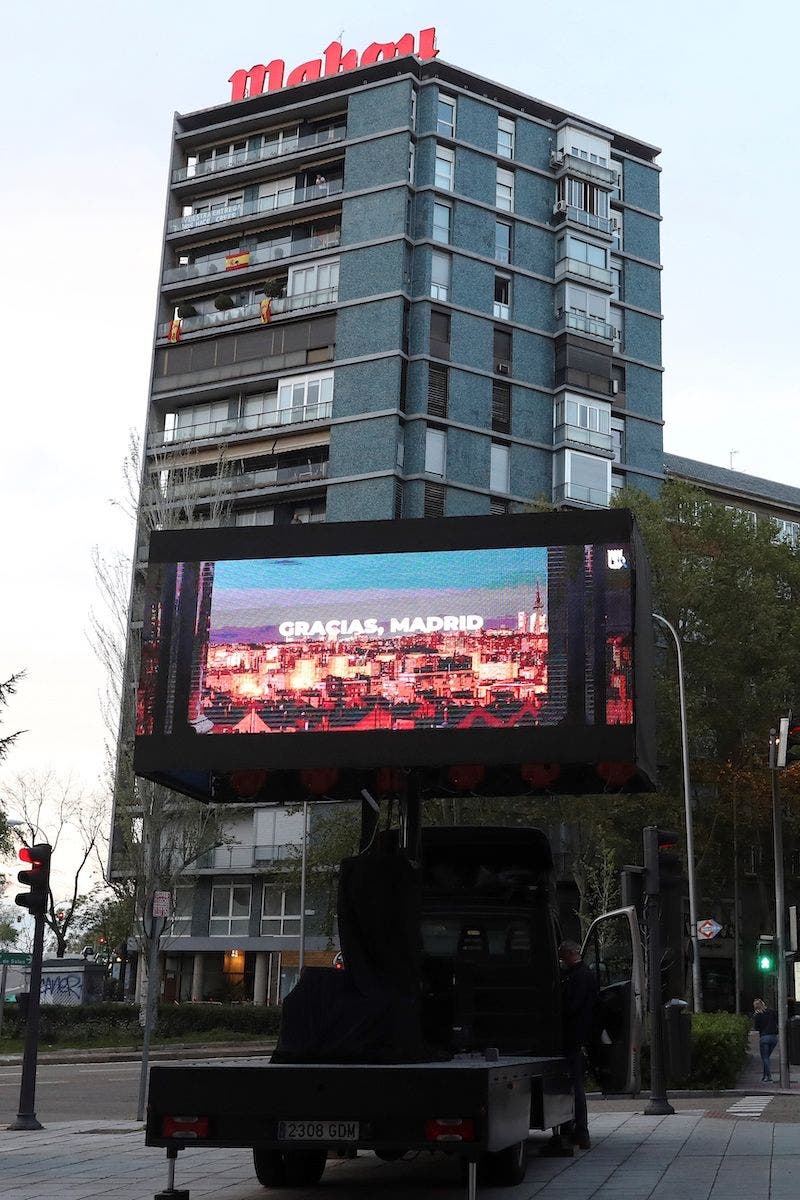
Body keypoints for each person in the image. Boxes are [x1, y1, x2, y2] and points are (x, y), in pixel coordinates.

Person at [558, 940, 598, 1150]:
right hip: (579, 1036)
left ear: (572, 954)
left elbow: (573, 1006)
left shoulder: (578, 977)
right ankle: (575, 1130)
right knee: (574, 1085)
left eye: (563, 956)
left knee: (575, 1086)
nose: (562, 960)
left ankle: (580, 1131)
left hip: (574, 1037)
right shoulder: (583, 974)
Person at [752, 998, 778, 1082]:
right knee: (766, 1058)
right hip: (774, 1037)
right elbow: (777, 1021)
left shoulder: (757, 1015)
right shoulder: (772, 1011)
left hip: (764, 1037)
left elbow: (756, 1028)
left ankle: (769, 1077)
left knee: (765, 1058)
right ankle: (764, 1076)